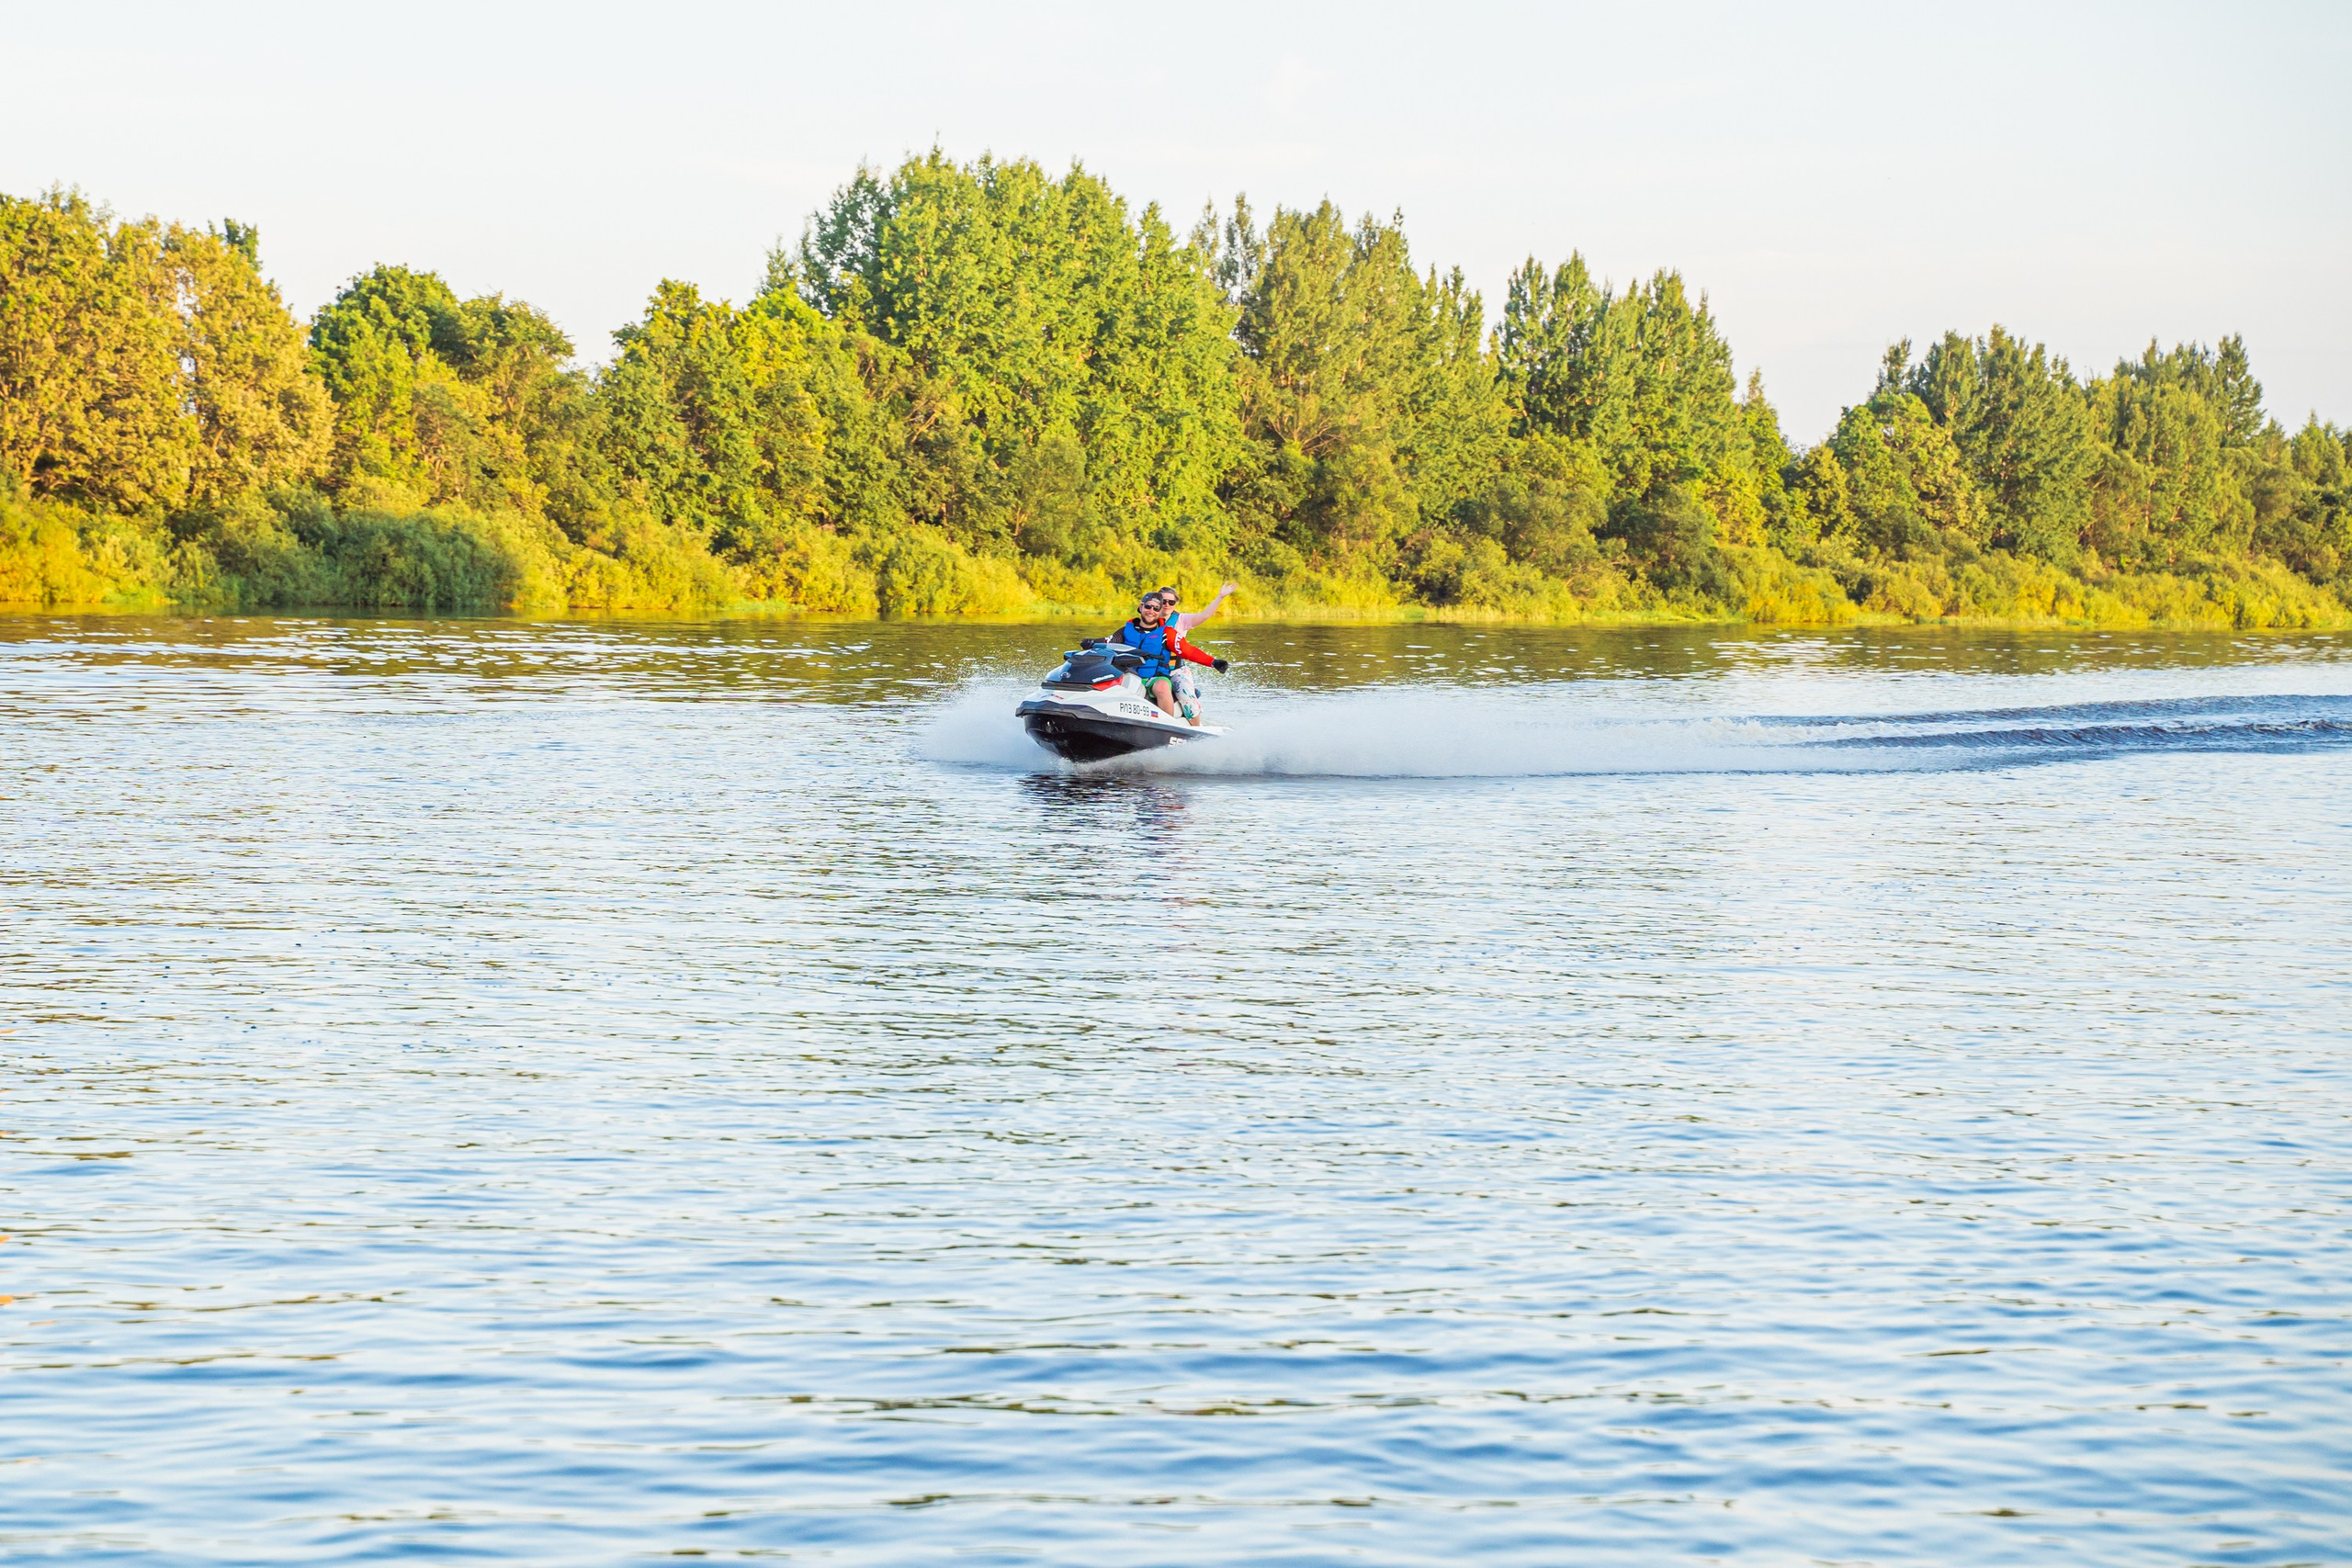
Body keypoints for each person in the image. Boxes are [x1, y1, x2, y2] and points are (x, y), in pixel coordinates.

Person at [1157, 581, 1237, 722]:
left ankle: (1196, 730)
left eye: (1171, 601)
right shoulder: (1148, 618)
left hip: (1175, 671)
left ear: (1175, 603)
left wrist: (1220, 596)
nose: (1167, 604)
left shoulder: (1181, 620)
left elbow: (1205, 615)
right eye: (1163, 601)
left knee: (1185, 695)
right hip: (1151, 670)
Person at [1109, 593, 1182, 718]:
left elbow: (1190, 651)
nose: (1151, 611)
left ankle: (1167, 724)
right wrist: (1091, 643)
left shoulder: (1167, 633)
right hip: (1128, 674)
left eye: (1156, 608)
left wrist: (1213, 662)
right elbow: (1109, 641)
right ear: (1141, 607)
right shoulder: (1126, 630)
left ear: (1160, 612)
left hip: (1155, 678)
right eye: (1148, 606)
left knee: (1162, 686)